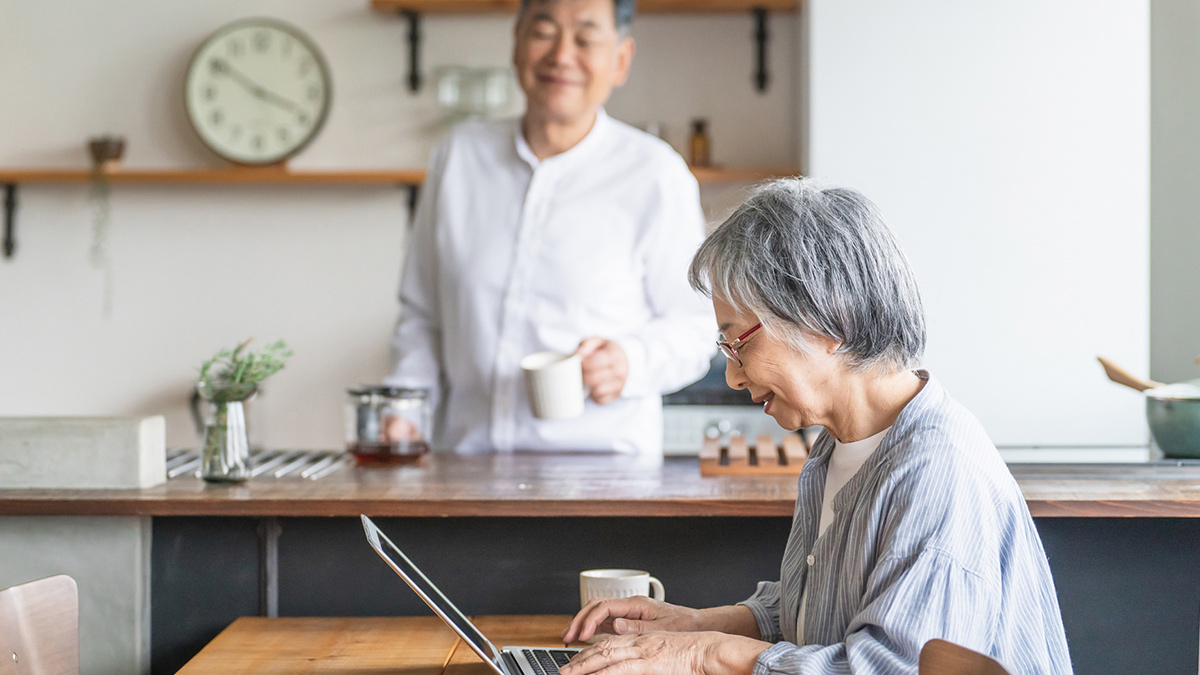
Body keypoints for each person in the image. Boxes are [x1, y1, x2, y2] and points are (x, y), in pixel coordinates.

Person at [558, 179, 1073, 674]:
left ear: (828, 321)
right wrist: (694, 626)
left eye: (740, 343)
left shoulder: (938, 473)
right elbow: (823, 613)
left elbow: (886, 670)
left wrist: (704, 654)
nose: (734, 376)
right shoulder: (839, 447)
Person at [386, 0, 714, 454]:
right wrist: (406, 410)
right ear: (516, 45)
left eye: (585, 38)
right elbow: (423, 317)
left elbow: (695, 326)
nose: (561, 56)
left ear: (620, 59)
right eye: (543, 32)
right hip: (464, 471)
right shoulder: (458, 157)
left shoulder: (656, 174)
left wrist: (629, 362)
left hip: (603, 478)